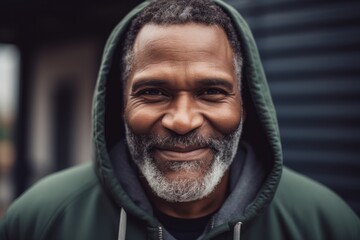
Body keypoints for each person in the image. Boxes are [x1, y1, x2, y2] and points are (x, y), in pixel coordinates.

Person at [1, 0, 359, 239]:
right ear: (120, 104)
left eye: (212, 92)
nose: (183, 121)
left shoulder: (324, 223)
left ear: (245, 106)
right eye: (154, 92)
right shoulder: (40, 220)